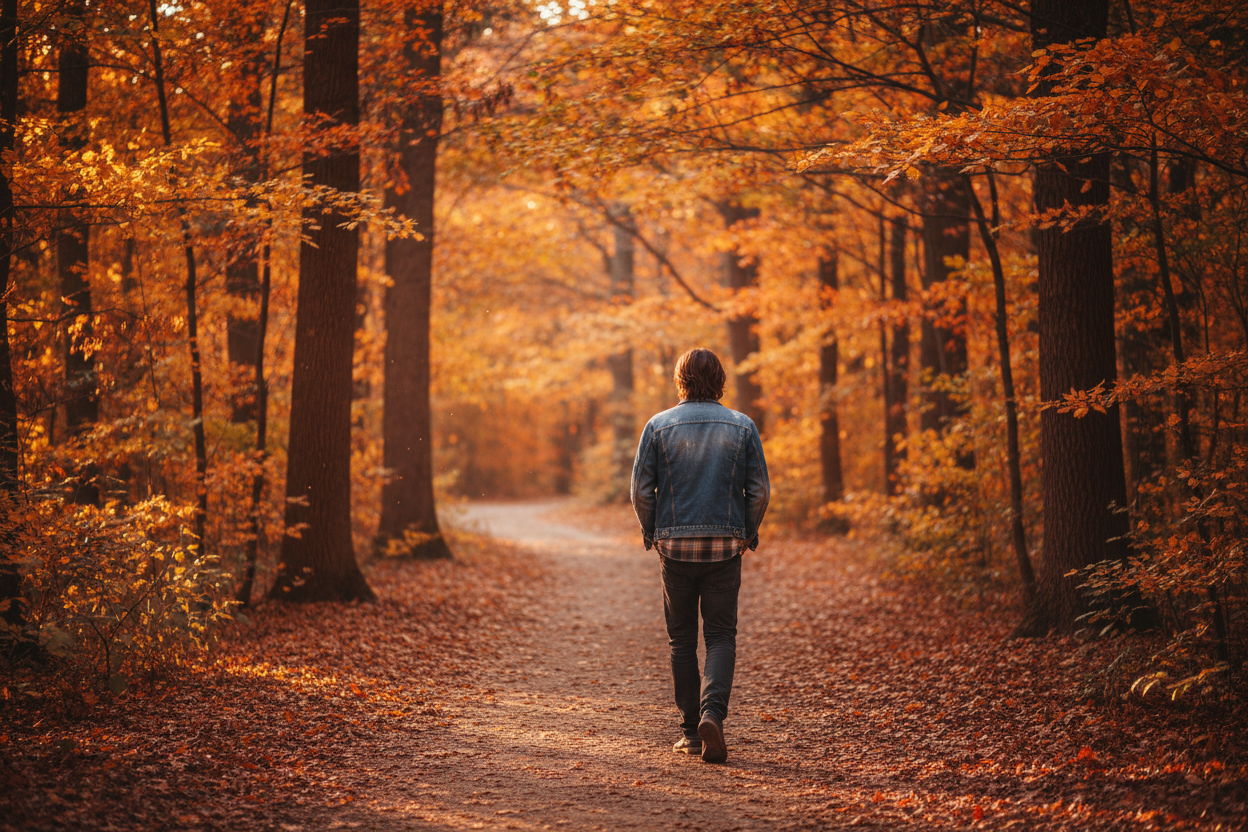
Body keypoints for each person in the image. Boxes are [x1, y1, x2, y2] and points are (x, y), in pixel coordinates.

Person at [629, 347, 770, 764]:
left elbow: (640, 491)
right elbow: (759, 490)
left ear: (681, 380)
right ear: (721, 380)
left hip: (676, 549)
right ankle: (713, 714)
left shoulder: (657, 426)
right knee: (722, 636)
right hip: (725, 547)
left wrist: (653, 532)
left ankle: (691, 733)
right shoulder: (742, 426)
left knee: (682, 640)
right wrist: (746, 533)